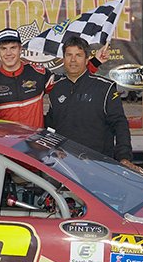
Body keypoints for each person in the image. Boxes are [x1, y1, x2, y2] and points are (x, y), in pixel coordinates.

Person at [0, 28, 106, 128]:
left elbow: (69, 81)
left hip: (34, 146)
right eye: (3, 49)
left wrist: (96, 61)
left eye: (13, 48)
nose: (8, 53)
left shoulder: (37, 73)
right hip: (6, 151)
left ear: (20, 49)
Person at [46, 36, 134, 167]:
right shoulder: (56, 89)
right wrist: (51, 149)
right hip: (65, 165)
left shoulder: (105, 88)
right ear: (63, 59)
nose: (73, 60)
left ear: (87, 59)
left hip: (99, 164)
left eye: (78, 55)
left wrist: (124, 157)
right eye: (69, 55)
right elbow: (51, 125)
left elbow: (120, 125)